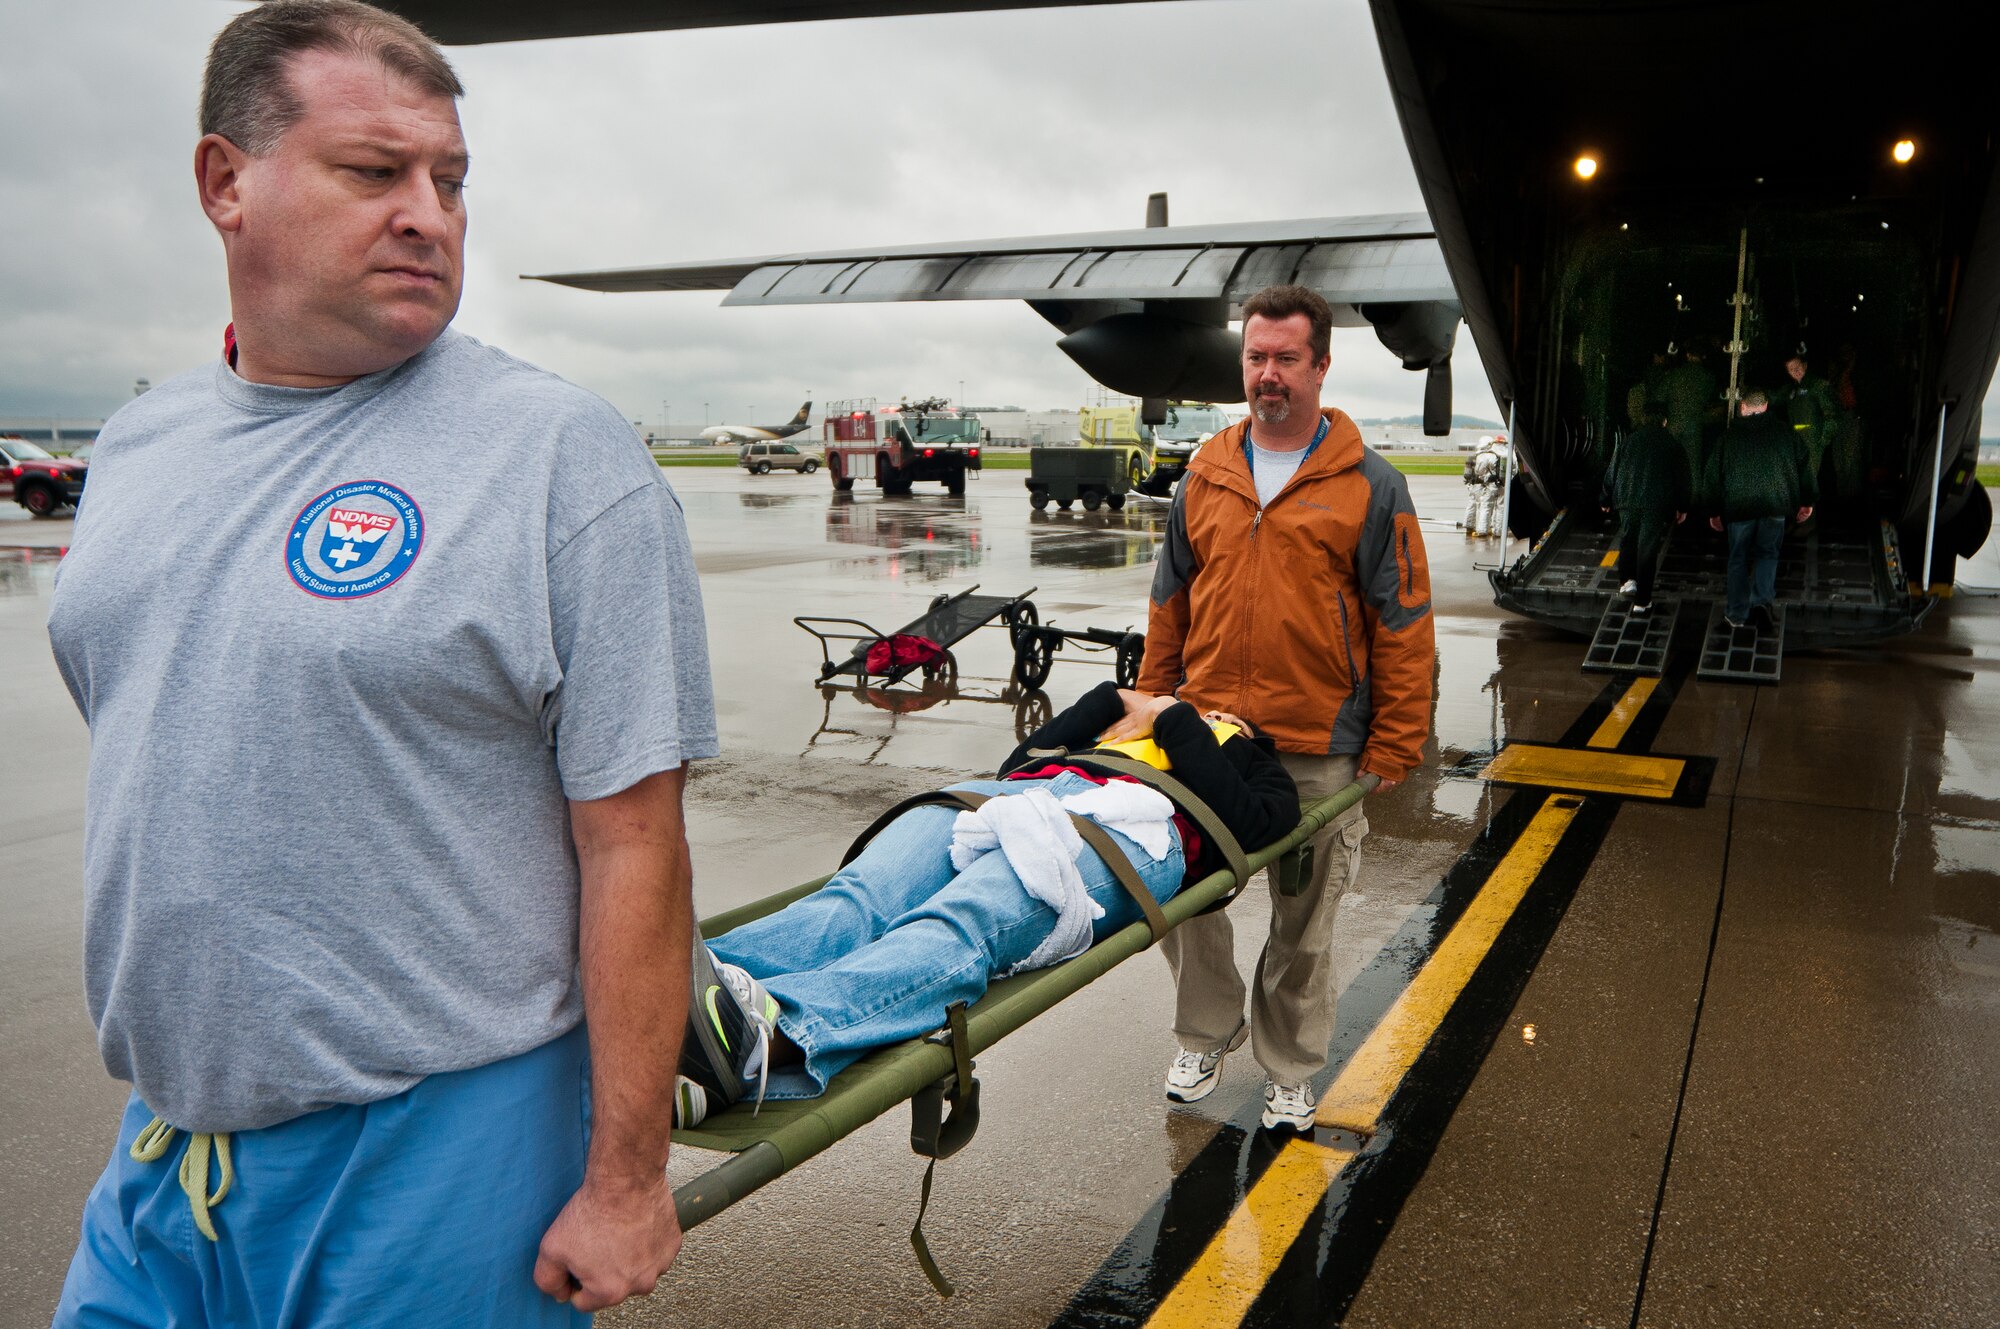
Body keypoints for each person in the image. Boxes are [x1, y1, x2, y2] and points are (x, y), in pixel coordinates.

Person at [46, 4, 716, 1322]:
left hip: (442, 1147)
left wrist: (628, 1175)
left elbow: (636, 840)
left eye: (450, 181)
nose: (430, 214)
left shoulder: (556, 460)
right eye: (375, 172)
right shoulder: (139, 445)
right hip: (175, 1141)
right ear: (223, 183)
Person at [680, 682, 1300, 1116]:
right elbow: (1018, 763)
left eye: (1220, 713)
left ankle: (771, 1038)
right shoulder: (1120, 724)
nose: (1204, 709)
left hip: (1132, 827)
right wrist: (1114, 700)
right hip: (1011, 799)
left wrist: (1178, 722)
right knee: (858, 897)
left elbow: (1248, 824)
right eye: (1193, 702)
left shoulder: (1250, 762)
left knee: (958, 924)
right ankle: (673, 989)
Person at [1134, 284, 1435, 1133]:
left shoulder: (1374, 487)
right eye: (1255, 358)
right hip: (1211, 739)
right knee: (1182, 895)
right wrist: (1155, 705)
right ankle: (1207, 1024)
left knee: (1305, 928)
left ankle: (1291, 1067)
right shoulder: (1205, 474)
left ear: (1322, 366)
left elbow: (1405, 623)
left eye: (1286, 359)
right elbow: (1170, 604)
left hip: (1317, 745)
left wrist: (1394, 742)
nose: (1268, 375)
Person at [1706, 389, 1817, 629]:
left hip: (1739, 508)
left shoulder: (1729, 437)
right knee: (1768, 554)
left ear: (1743, 407)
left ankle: (1736, 614)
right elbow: (1805, 467)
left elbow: (1712, 478)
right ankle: (1762, 604)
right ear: (1766, 407)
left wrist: (1714, 511)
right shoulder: (1786, 433)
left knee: (1738, 559)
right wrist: (1807, 501)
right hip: (1775, 506)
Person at [1600, 400, 1690, 612]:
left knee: (1628, 539)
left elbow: (1613, 470)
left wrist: (1605, 498)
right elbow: (1683, 479)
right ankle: (1642, 601)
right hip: (1655, 504)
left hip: (1627, 500)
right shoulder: (1672, 444)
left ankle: (1627, 581)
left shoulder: (1629, 441)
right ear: (1665, 421)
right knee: (1647, 548)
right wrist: (1683, 506)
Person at [1460, 434, 1510, 537]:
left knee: (1475, 505)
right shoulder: (1497, 455)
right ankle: (1492, 530)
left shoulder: (1476, 455)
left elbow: (1478, 471)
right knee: (1493, 507)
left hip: (1474, 484)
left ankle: (1471, 526)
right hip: (1492, 485)